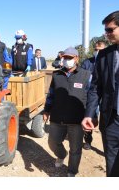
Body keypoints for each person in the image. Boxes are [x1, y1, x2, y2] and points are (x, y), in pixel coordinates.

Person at [43, 47, 91, 177]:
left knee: (75, 148)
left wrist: (91, 115)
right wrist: (47, 110)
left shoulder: (86, 75)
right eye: (64, 57)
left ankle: (72, 171)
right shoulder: (57, 75)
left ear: (76, 59)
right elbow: (51, 95)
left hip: (77, 119)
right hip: (57, 117)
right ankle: (61, 155)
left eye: (69, 58)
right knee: (53, 142)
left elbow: (92, 97)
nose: (66, 60)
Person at [82, 11, 119, 177]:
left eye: (110, 30)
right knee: (112, 164)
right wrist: (90, 114)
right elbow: (96, 88)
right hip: (111, 121)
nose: (107, 34)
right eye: (106, 30)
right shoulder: (104, 55)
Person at [81, 40, 106, 150]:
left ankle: (107, 142)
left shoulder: (109, 62)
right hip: (91, 95)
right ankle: (88, 140)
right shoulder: (87, 62)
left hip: (106, 96)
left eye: (100, 50)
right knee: (91, 116)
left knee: (106, 120)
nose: (97, 52)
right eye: (96, 49)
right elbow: (81, 78)